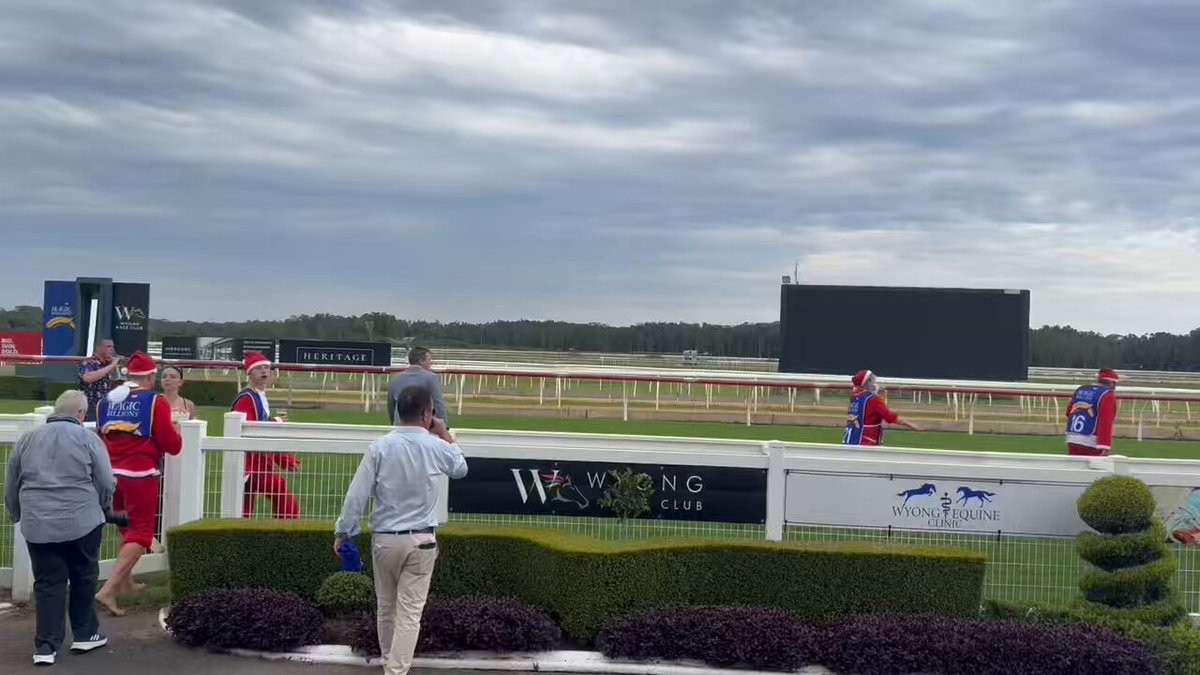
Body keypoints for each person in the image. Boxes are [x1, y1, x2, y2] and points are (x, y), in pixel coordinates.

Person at [334, 386, 467, 675]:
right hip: (422, 540)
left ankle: (389, 665)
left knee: (386, 608)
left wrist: (344, 531)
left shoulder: (380, 446)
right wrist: (444, 433)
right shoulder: (436, 446)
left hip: (385, 540)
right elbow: (460, 468)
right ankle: (395, 671)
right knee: (409, 614)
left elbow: (357, 494)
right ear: (427, 414)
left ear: (398, 411)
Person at [5, 390, 115, 665]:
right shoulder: (88, 438)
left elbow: (12, 481)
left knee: (48, 583)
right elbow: (105, 480)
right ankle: (85, 634)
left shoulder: (27, 439)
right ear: (81, 414)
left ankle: (46, 646)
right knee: (83, 576)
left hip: (38, 522)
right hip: (82, 519)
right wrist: (104, 507)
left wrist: (16, 513)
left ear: (56, 411)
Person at [94, 351, 182, 616]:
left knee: (125, 526)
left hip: (109, 474)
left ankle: (126, 582)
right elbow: (171, 445)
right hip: (139, 474)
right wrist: (177, 433)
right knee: (142, 534)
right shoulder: (155, 401)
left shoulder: (106, 400)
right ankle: (108, 590)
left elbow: (100, 435)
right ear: (151, 376)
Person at [232, 351, 300, 519]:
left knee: (244, 509)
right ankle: (287, 529)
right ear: (249, 373)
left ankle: (240, 531)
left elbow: (261, 425)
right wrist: (276, 423)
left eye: (266, 368)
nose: (264, 371)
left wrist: (283, 459)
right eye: (258, 368)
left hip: (255, 463)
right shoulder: (247, 398)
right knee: (282, 495)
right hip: (253, 465)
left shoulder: (257, 396)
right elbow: (250, 430)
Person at [843, 369, 922, 446]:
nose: (875, 384)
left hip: (850, 440)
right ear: (867, 383)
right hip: (866, 442)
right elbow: (889, 417)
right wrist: (912, 425)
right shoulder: (873, 399)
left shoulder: (854, 398)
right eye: (872, 381)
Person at [387, 347, 449, 427]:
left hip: (400, 426)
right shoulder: (431, 378)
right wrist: (444, 426)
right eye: (429, 360)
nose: (431, 363)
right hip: (422, 427)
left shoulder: (396, 379)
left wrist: (393, 423)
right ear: (421, 361)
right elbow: (438, 403)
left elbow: (391, 405)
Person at [1065, 368, 1120, 456]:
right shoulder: (1107, 395)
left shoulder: (1081, 389)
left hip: (1072, 438)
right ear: (1112, 383)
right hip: (1091, 441)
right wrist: (1105, 446)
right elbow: (1106, 421)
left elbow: (1068, 412)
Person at [78, 339, 121, 422]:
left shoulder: (108, 364)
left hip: (108, 407)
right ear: (98, 348)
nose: (112, 349)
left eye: (113, 347)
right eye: (108, 346)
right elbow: (87, 378)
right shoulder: (88, 362)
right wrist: (112, 365)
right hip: (91, 408)